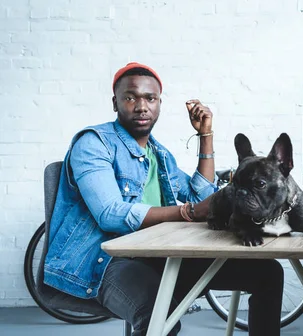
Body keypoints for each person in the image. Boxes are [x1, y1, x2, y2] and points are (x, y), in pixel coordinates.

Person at [43, 62, 284, 336]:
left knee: (268, 273)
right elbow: (109, 213)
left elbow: (201, 197)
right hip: (105, 261)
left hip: (160, 255)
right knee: (159, 314)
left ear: (159, 104)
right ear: (115, 103)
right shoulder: (94, 142)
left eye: (150, 98)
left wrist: (205, 135)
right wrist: (188, 212)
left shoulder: (159, 154)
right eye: (130, 97)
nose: (142, 106)